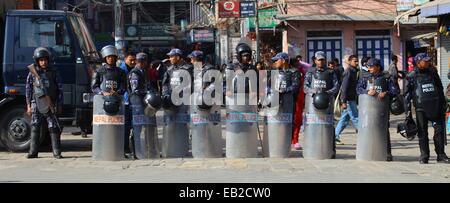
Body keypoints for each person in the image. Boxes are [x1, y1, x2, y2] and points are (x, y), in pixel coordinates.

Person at [404, 53, 450, 164]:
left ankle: (441, 155)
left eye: (428, 60)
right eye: (425, 61)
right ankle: (424, 155)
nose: (428, 62)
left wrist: (443, 104)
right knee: (422, 132)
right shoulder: (411, 76)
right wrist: (407, 113)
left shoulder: (433, 73)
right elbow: (406, 95)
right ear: (418, 62)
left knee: (439, 131)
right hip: (420, 108)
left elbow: (439, 88)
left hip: (436, 106)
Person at [356, 58, 398, 161]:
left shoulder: (386, 78)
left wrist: (386, 93)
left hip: (382, 109)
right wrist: (366, 92)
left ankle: (386, 152)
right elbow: (358, 89)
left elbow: (395, 90)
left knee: (383, 128)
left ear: (378, 67)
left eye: (371, 66)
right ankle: (367, 150)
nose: (369, 68)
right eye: (368, 66)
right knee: (368, 128)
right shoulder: (365, 78)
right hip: (368, 109)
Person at [26, 47, 63, 159]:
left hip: (50, 102)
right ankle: (33, 151)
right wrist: (28, 106)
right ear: (37, 61)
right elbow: (28, 89)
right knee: (35, 125)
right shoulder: (33, 73)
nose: (43, 62)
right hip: (36, 102)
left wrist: (59, 103)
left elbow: (60, 88)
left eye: (45, 60)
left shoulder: (54, 71)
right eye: (41, 60)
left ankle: (56, 151)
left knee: (53, 125)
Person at [335, 55, 359, 145]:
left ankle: (335, 136)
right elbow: (344, 87)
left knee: (344, 119)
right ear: (349, 62)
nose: (356, 63)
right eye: (354, 61)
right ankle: (363, 136)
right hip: (348, 99)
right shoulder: (348, 72)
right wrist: (343, 101)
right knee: (356, 118)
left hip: (352, 98)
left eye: (357, 61)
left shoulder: (354, 71)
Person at [119, 52, 136, 158]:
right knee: (125, 127)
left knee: (135, 126)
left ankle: (134, 147)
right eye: (131, 60)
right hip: (125, 102)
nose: (133, 62)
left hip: (134, 102)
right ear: (125, 59)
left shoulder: (135, 70)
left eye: (134, 60)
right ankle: (125, 147)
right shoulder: (121, 71)